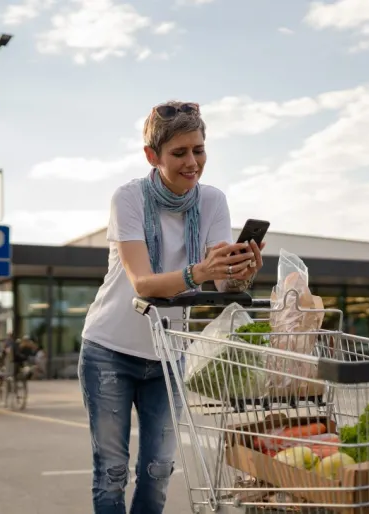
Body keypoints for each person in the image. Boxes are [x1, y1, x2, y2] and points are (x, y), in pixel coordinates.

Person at [78, 100, 264, 514]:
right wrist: (199, 271)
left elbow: (221, 282)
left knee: (159, 468)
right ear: (152, 156)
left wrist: (242, 270)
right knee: (111, 470)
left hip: (166, 354)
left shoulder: (212, 201)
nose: (192, 162)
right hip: (109, 350)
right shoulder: (129, 199)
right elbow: (142, 283)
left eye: (198, 149)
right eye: (179, 153)